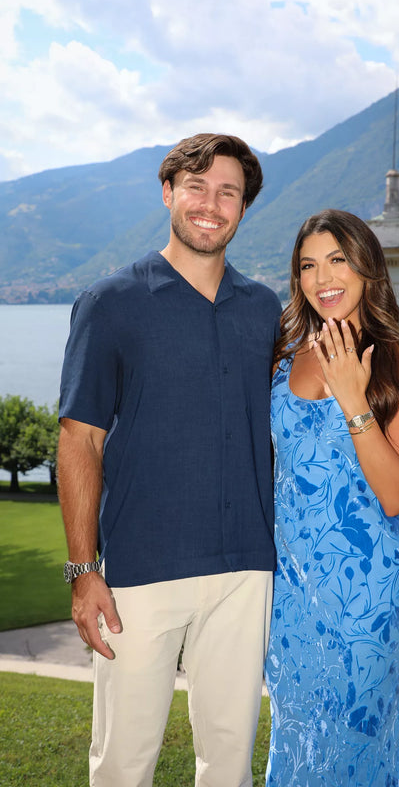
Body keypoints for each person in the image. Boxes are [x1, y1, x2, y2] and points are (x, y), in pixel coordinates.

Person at [57, 133, 281, 787]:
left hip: (245, 571)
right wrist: (82, 570)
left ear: (243, 208)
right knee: (123, 765)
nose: (211, 203)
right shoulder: (110, 302)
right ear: (168, 193)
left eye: (228, 192)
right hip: (139, 573)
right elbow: (80, 440)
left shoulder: (264, 308)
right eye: (197, 186)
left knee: (230, 765)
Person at [264, 209, 399, 786]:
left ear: (367, 268)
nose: (322, 277)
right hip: (289, 593)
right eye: (308, 265)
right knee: (297, 740)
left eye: (338, 259)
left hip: (367, 594)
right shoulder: (281, 358)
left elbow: (394, 494)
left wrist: (352, 398)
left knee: (353, 743)